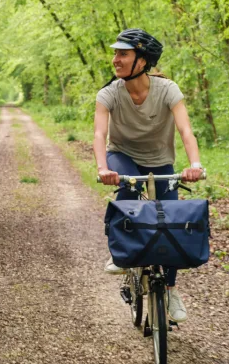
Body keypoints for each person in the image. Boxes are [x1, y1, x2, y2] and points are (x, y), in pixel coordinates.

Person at [93, 28, 204, 324]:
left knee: (172, 223)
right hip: (122, 155)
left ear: (142, 60)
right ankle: (120, 252)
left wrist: (195, 163)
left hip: (160, 162)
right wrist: (103, 168)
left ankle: (169, 289)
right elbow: (99, 133)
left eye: (123, 54)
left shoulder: (167, 90)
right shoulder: (109, 93)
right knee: (128, 188)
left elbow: (186, 130)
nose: (115, 59)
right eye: (115, 53)